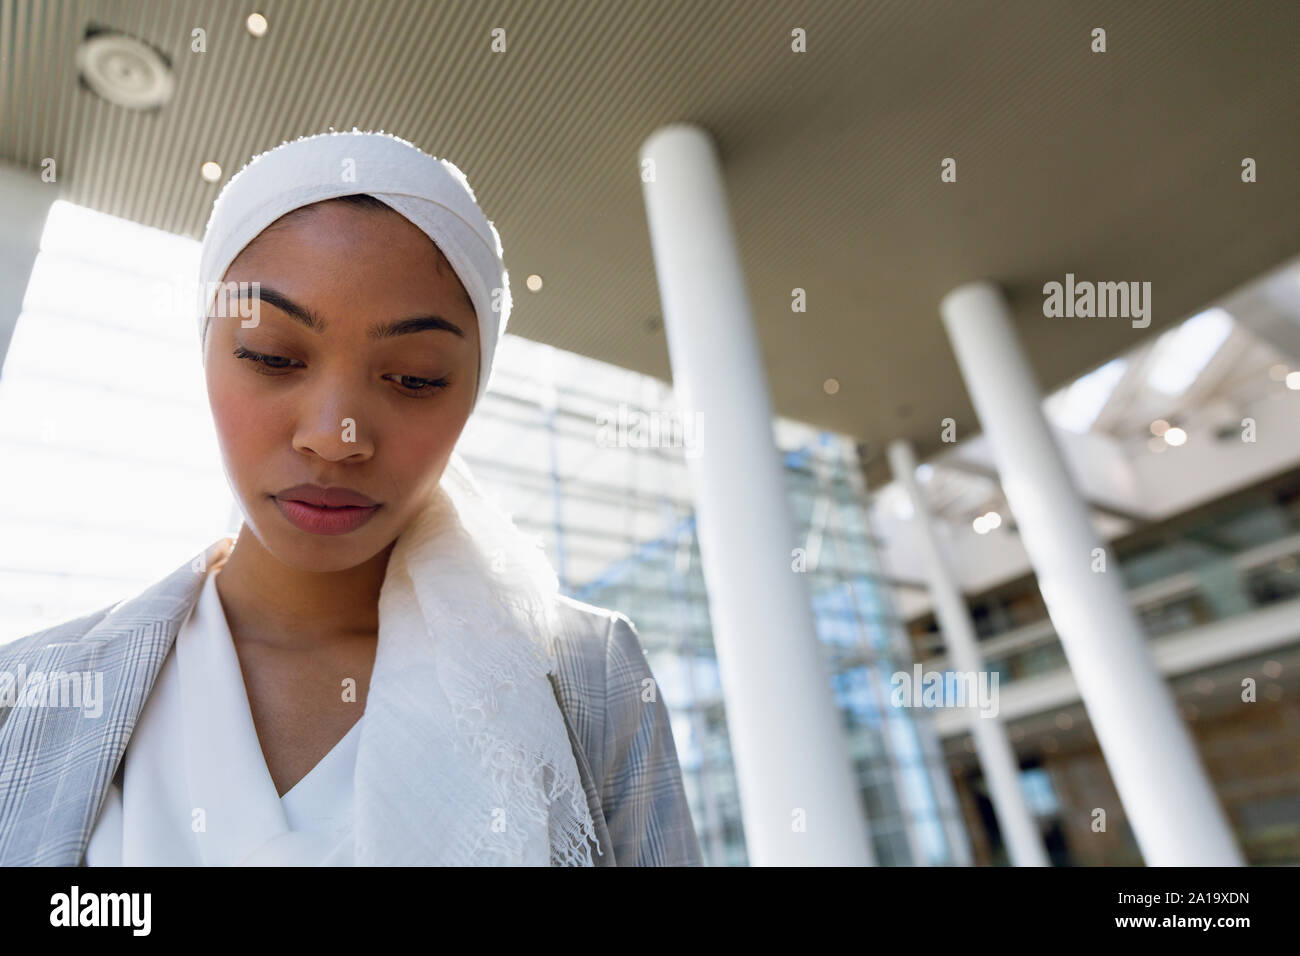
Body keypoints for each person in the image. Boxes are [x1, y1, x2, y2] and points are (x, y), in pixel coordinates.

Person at [0, 130, 702, 867]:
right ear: (205, 347)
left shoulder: (588, 677)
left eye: (416, 377)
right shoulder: (28, 694)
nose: (335, 437)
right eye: (272, 356)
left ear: (472, 393)